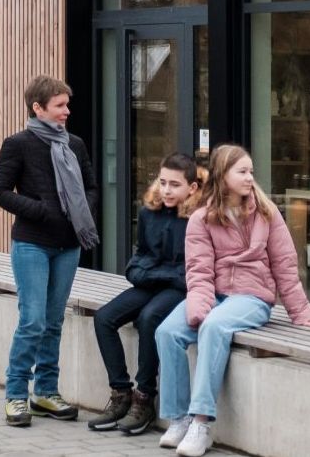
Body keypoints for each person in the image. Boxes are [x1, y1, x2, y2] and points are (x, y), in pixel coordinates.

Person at [155, 144, 310, 457]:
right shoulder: (201, 219)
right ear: (223, 175)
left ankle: (201, 422)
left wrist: (301, 311)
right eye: (242, 171)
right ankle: (178, 419)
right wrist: (197, 310)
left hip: (252, 296)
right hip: (214, 293)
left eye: (250, 171)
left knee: (215, 327)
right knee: (167, 332)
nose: (250, 177)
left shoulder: (266, 212)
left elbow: (285, 263)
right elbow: (199, 271)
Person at [0, 75, 99, 426]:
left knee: (53, 322)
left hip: (69, 245)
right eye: (60, 105)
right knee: (33, 320)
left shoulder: (76, 145)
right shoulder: (18, 144)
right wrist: (41, 210)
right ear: (38, 108)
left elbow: (91, 187)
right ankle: (16, 395)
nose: (67, 111)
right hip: (31, 244)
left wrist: (82, 210)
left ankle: (46, 392)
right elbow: (1, 191)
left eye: (67, 104)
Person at [88, 153, 206, 435]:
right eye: (163, 182)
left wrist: (152, 273)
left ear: (192, 188)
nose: (166, 190)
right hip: (150, 282)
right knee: (104, 317)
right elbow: (139, 257)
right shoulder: (148, 212)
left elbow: (189, 271)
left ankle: (144, 398)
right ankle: (121, 393)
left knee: (150, 317)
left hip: (179, 288)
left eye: (175, 185)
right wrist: (142, 272)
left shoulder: (198, 219)